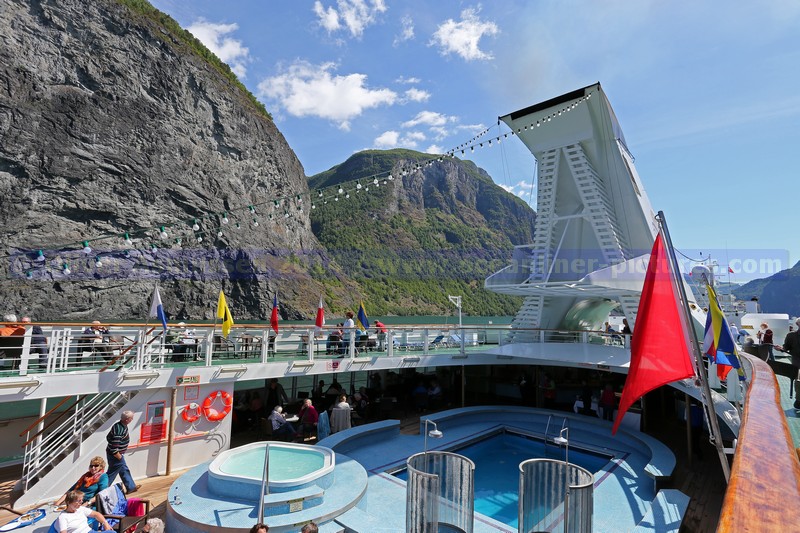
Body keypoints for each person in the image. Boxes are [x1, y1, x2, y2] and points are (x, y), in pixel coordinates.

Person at [106, 411, 140, 494]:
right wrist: (120, 457)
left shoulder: (120, 425)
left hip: (118, 454)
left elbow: (108, 437)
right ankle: (102, 490)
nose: (132, 419)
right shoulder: (120, 429)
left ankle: (131, 487)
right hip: (115, 455)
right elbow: (114, 448)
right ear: (127, 419)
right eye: (131, 418)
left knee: (124, 470)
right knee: (111, 474)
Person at [776, 318, 800, 409]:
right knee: (798, 381)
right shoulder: (791, 336)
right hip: (797, 362)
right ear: (798, 324)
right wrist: (780, 348)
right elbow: (786, 347)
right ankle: (798, 401)